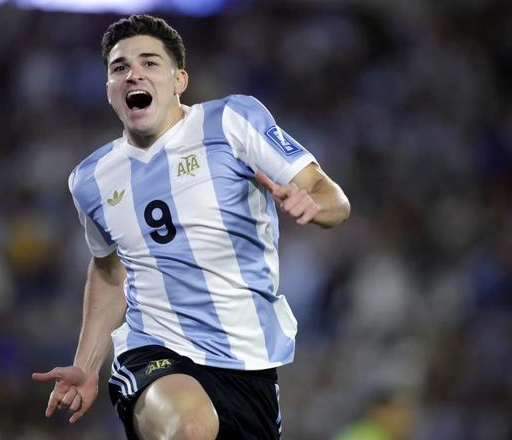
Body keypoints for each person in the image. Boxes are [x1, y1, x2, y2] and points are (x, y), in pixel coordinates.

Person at [32, 14, 350, 439]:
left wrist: (314, 204)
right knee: (190, 429)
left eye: (149, 63)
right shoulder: (91, 180)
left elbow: (332, 197)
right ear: (109, 89)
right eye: (120, 68)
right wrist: (87, 365)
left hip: (249, 363)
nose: (133, 75)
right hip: (155, 350)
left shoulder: (232, 121)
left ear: (179, 79)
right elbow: (109, 270)